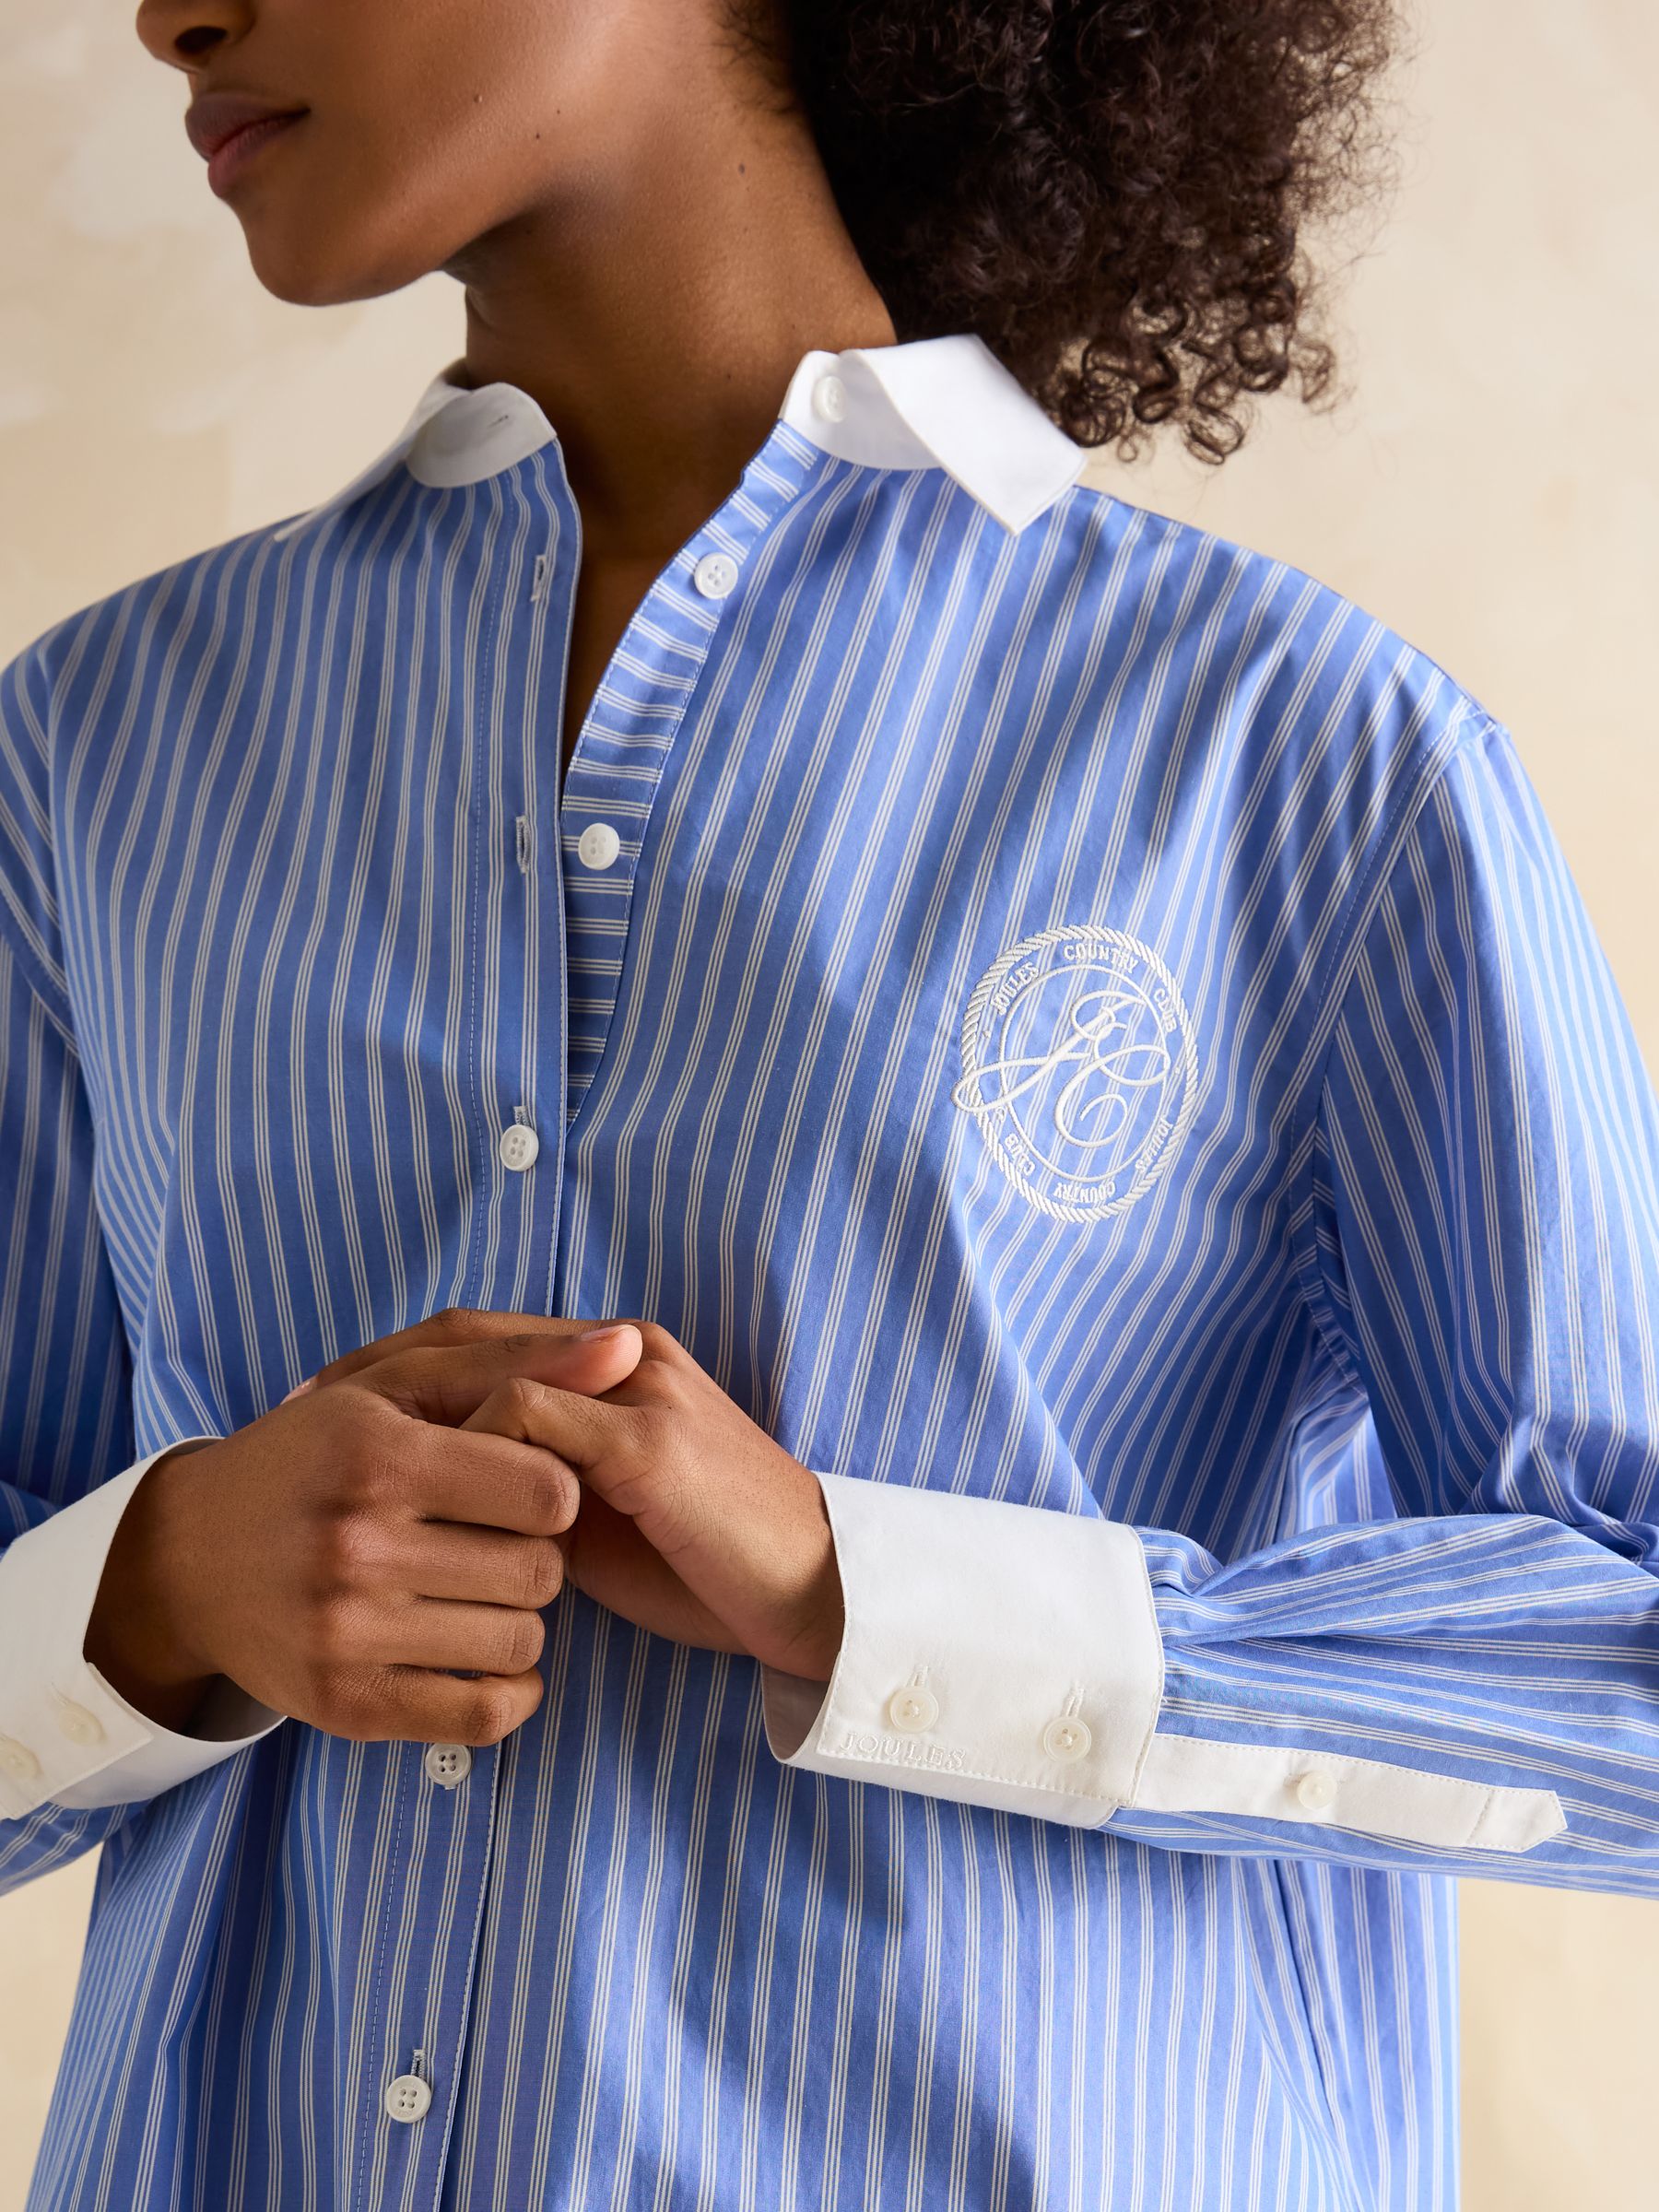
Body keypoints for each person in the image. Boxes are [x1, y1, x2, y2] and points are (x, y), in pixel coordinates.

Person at [1, 0, 1653, 2206]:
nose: (167, 13)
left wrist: (870, 1601)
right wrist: (154, 1590)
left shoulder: (1305, 760)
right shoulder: (95, 751)